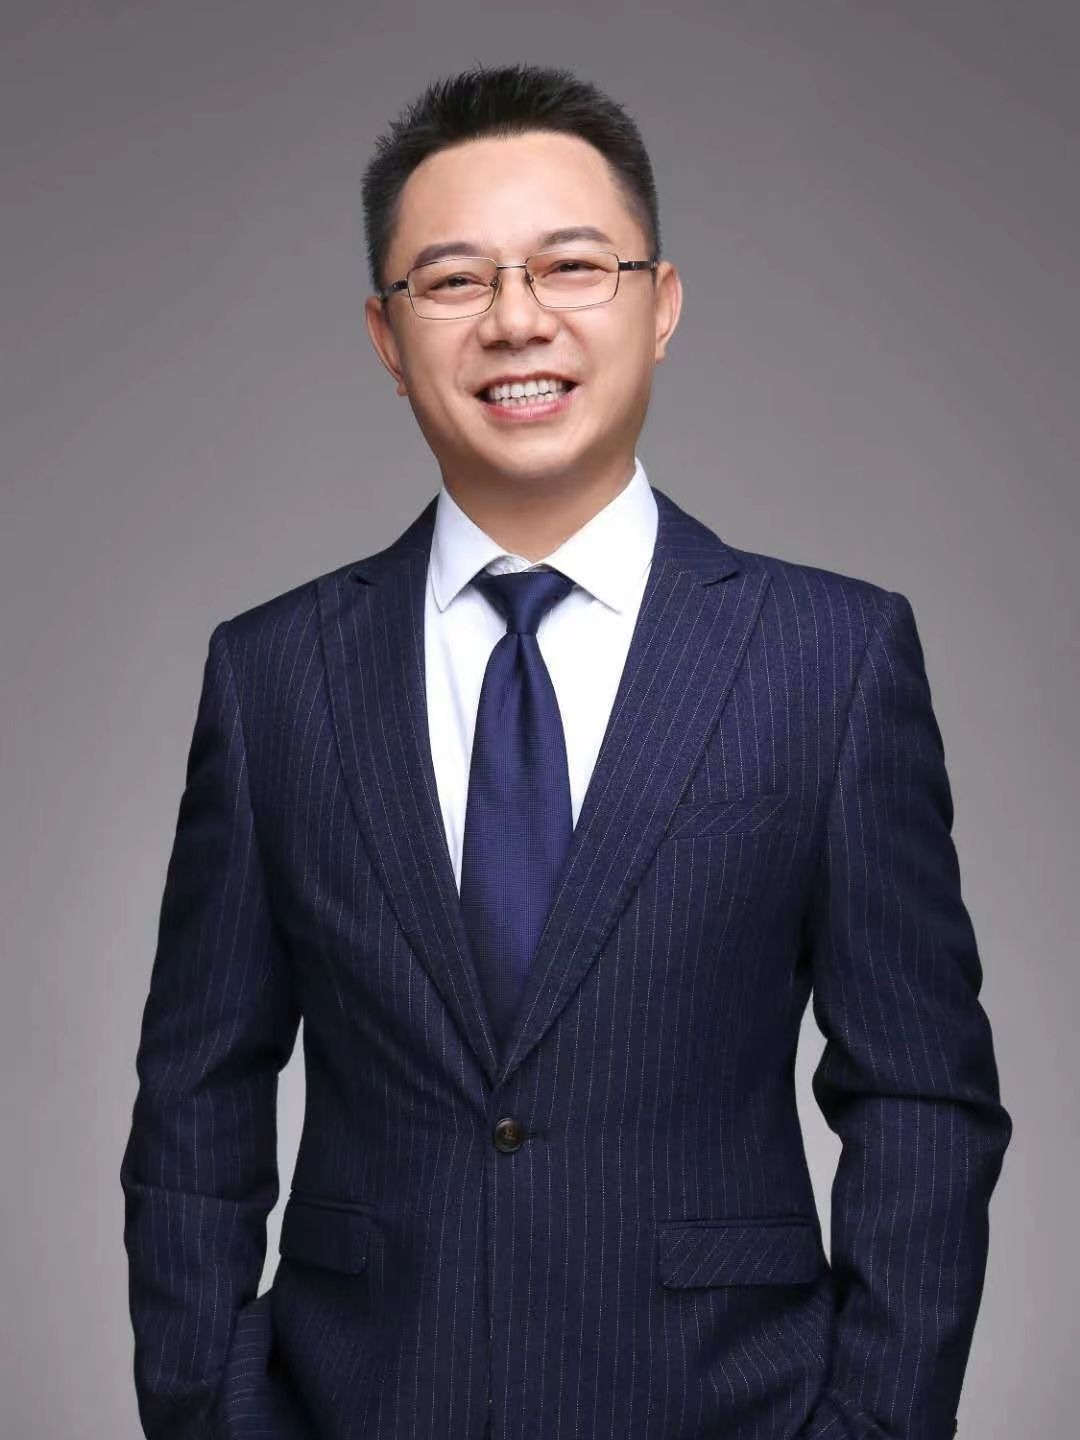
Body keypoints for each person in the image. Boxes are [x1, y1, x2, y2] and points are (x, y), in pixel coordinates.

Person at [120, 62, 1012, 1440]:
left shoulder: (828, 660)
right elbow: (196, 1097)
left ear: (661, 303)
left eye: (572, 265)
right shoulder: (275, 676)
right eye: (454, 279)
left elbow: (922, 1096)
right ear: (386, 335)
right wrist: (210, 1414)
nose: (516, 317)